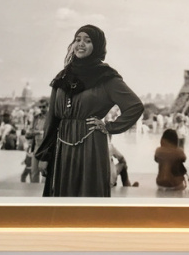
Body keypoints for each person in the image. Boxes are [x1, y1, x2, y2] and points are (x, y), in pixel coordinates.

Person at [35, 24, 144, 197]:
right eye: (77, 39)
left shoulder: (106, 77)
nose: (81, 44)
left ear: (97, 46)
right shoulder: (63, 77)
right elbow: (52, 119)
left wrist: (109, 126)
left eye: (88, 41)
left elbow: (135, 106)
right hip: (62, 146)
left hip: (90, 145)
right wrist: (44, 155)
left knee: (87, 194)